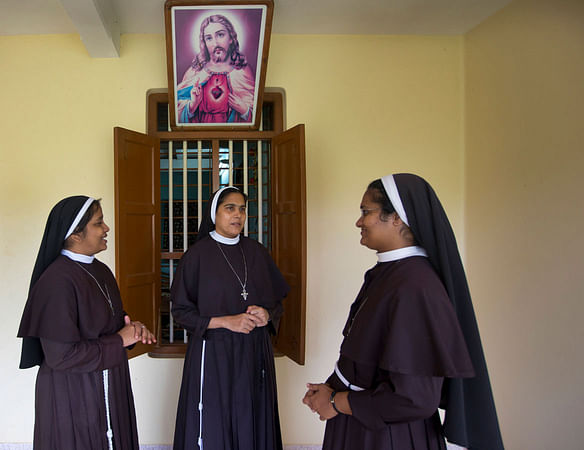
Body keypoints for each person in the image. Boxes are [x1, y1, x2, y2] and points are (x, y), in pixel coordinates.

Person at [302, 174, 504, 450]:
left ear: (396, 217)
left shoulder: (415, 287)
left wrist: (337, 401)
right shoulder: (392, 274)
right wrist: (329, 389)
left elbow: (414, 398)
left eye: (366, 212)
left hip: (389, 437)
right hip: (363, 425)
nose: (359, 222)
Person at [18, 196, 155, 450]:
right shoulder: (56, 281)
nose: (106, 229)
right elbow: (61, 356)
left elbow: (112, 324)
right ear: (75, 234)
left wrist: (132, 330)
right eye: (98, 223)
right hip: (74, 394)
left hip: (108, 381)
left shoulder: (101, 270)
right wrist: (119, 340)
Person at [171, 186, 289, 450]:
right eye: (230, 208)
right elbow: (181, 312)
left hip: (253, 352)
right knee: (215, 420)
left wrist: (266, 314)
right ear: (215, 213)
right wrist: (226, 321)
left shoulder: (257, 252)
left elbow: (277, 302)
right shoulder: (196, 256)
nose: (238, 215)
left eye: (243, 209)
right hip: (214, 354)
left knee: (252, 417)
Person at [176, 15, 255, 124]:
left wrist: (244, 110)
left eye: (220, 35)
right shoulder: (195, 72)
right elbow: (177, 115)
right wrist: (191, 106)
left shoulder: (242, 72)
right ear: (204, 42)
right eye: (209, 38)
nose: (215, 43)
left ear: (231, 38)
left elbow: (255, 116)